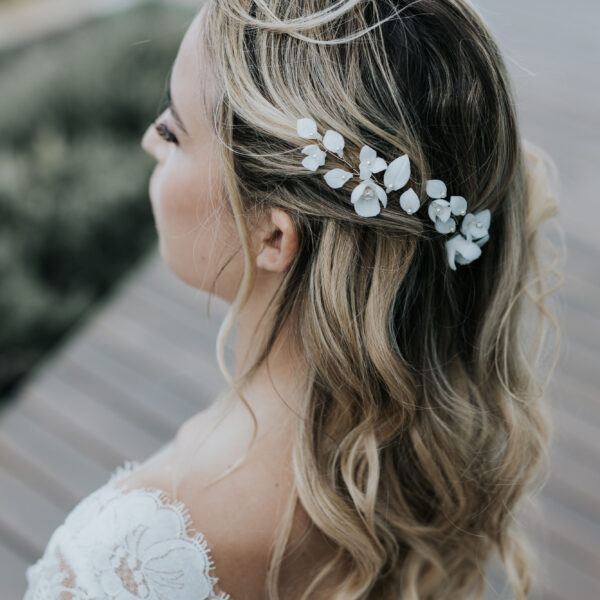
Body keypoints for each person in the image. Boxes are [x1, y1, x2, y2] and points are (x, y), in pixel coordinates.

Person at [23, 1, 561, 599]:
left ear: (273, 235)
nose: (152, 138)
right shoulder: (416, 444)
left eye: (175, 130)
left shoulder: (117, 562)